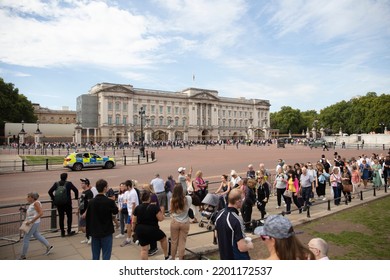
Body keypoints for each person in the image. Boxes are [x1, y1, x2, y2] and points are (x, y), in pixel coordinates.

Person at [215, 188, 254, 260]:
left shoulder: (219, 214)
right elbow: (241, 248)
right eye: (242, 199)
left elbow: (216, 235)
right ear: (238, 201)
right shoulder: (236, 219)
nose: (243, 201)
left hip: (224, 256)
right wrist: (250, 245)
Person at [132, 190, 170, 260]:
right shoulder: (154, 207)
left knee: (144, 249)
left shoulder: (137, 208)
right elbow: (160, 219)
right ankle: (166, 256)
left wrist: (133, 230)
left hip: (140, 229)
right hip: (152, 229)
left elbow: (134, 221)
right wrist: (162, 214)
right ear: (149, 198)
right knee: (163, 239)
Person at [86, 179, 118, 260]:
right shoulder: (109, 202)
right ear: (104, 188)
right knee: (106, 255)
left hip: (95, 232)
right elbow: (115, 211)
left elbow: (88, 217)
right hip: (106, 232)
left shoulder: (91, 202)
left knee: (95, 256)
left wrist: (88, 232)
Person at [19, 192, 53, 260]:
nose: (27, 198)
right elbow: (35, 212)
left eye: (28, 197)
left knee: (26, 238)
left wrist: (31, 221)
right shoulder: (34, 203)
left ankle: (23, 256)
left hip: (32, 223)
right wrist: (25, 210)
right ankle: (49, 246)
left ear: (32, 198)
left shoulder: (35, 203)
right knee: (36, 235)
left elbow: (41, 213)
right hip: (35, 222)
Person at [48, 172, 79, 237]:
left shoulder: (56, 184)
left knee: (61, 218)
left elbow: (50, 191)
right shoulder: (69, 183)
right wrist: (76, 197)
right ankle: (69, 231)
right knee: (69, 217)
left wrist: (54, 199)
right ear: (66, 177)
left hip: (59, 204)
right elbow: (76, 190)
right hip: (67, 203)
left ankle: (62, 232)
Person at [170, 184, 192, 260]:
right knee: (182, 243)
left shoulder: (172, 200)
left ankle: (173, 258)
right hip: (185, 222)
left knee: (174, 242)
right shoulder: (188, 199)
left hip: (175, 222)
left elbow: (172, 212)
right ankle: (180, 259)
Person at [121, 179, 139, 247]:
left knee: (133, 226)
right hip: (129, 212)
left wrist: (132, 214)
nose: (124, 187)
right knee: (129, 225)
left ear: (128, 186)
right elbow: (126, 200)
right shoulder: (128, 192)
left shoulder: (133, 193)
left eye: (125, 186)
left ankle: (135, 238)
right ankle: (129, 238)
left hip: (133, 213)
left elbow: (134, 204)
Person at [79, 178, 94, 244]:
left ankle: (91, 237)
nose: (81, 184)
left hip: (87, 212)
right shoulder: (83, 192)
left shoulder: (89, 193)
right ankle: (87, 237)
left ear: (87, 184)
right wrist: (78, 209)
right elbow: (81, 202)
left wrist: (85, 212)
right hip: (82, 212)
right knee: (83, 226)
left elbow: (90, 204)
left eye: (83, 183)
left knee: (84, 226)